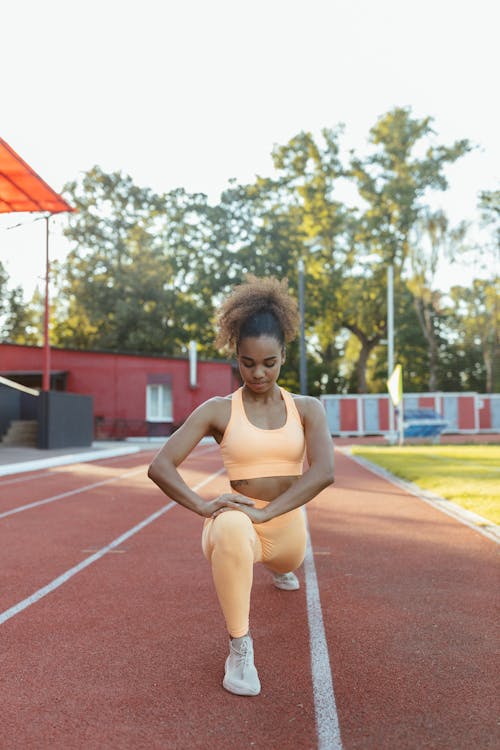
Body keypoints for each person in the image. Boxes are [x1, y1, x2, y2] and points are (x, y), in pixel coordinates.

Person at [148, 275, 334, 696]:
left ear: (283, 355)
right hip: (239, 521)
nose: (258, 372)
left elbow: (324, 471)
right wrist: (202, 506)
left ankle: (282, 570)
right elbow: (161, 466)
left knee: (287, 562)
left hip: (284, 525)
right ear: (237, 357)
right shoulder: (218, 410)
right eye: (248, 362)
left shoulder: (307, 408)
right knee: (231, 526)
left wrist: (268, 512)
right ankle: (240, 648)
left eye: (269, 362)